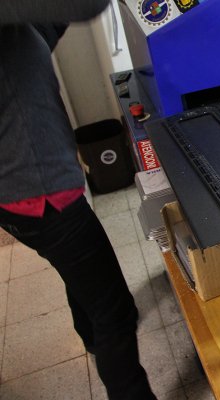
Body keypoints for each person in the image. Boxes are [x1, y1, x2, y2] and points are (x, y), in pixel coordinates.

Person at [0, 2, 156, 399]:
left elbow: (46, 28)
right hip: (42, 195)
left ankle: (88, 333)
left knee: (78, 268)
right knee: (114, 314)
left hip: (18, 193)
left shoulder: (15, 34)